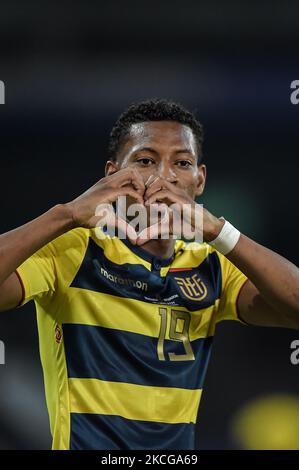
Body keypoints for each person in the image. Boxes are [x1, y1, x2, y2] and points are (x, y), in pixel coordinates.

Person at [0, 99, 298, 450]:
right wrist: (65, 214)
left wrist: (220, 232)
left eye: (182, 163)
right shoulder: (71, 251)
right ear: (111, 175)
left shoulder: (212, 266)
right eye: (145, 161)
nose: (164, 176)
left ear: (199, 181)